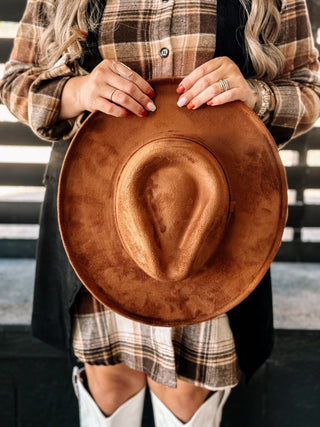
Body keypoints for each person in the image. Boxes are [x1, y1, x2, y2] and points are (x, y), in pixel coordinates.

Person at [1, 0, 320, 426]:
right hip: (97, 224)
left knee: (187, 395)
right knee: (109, 384)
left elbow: (309, 88)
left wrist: (255, 95)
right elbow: (15, 81)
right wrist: (78, 92)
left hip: (217, 235)